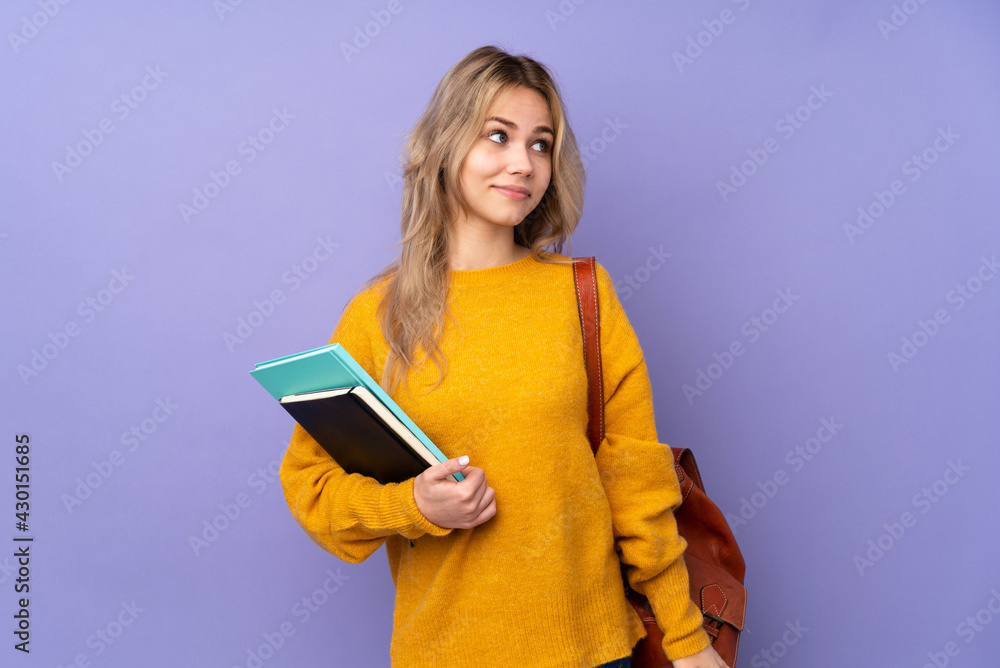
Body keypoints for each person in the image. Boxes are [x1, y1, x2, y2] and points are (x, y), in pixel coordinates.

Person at [279, 44, 729, 668]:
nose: (523, 162)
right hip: (444, 652)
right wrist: (415, 506)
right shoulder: (381, 315)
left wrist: (685, 639)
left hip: (591, 649)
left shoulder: (584, 293)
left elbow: (635, 480)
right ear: (446, 146)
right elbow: (313, 488)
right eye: (498, 136)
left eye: (540, 144)